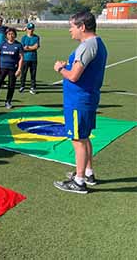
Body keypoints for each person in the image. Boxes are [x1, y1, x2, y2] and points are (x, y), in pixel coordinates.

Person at [53, 11, 107, 194]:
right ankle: (87, 173)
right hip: (87, 98)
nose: (70, 30)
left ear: (82, 27)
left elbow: (74, 76)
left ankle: (79, 181)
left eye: (72, 26)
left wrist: (60, 68)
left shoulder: (87, 46)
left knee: (78, 140)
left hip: (79, 100)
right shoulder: (97, 43)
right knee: (84, 137)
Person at [0, 28, 23, 109]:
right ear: (6, 35)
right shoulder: (2, 44)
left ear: (15, 35)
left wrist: (19, 69)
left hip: (13, 68)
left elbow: (21, 58)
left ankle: (8, 102)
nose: (11, 35)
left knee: (11, 86)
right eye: (9, 34)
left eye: (12, 34)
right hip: (2, 67)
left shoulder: (18, 45)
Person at [19, 23, 40, 94]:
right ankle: (22, 86)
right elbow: (23, 48)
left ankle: (33, 87)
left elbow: (36, 47)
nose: (31, 30)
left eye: (32, 29)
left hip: (33, 58)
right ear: (27, 29)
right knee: (23, 73)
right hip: (25, 58)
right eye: (29, 29)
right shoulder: (24, 38)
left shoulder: (36, 37)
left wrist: (28, 47)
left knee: (33, 74)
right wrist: (31, 48)